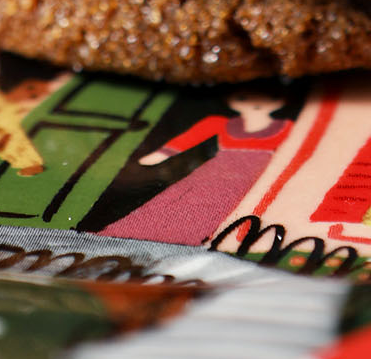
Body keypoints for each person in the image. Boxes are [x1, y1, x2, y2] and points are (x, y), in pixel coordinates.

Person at [103, 86, 300, 246]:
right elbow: (189, 138)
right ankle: (146, 237)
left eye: (271, 96)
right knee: (187, 202)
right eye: (242, 97)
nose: (254, 103)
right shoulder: (220, 122)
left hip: (261, 173)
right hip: (220, 170)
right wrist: (158, 155)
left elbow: (296, 150)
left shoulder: (286, 127)